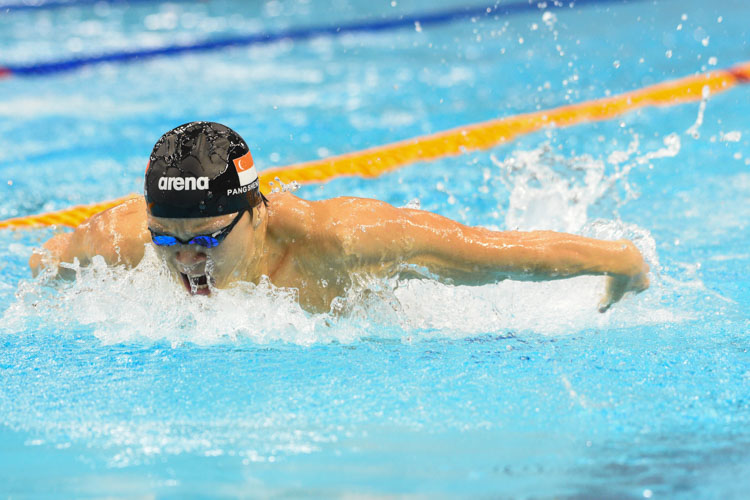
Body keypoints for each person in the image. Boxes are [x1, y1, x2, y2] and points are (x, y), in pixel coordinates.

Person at [29, 121, 649, 313]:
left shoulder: (343, 240)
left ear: (255, 211)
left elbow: (499, 252)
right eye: (168, 239)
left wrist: (619, 263)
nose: (187, 260)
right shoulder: (125, 240)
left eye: (206, 240)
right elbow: (45, 262)